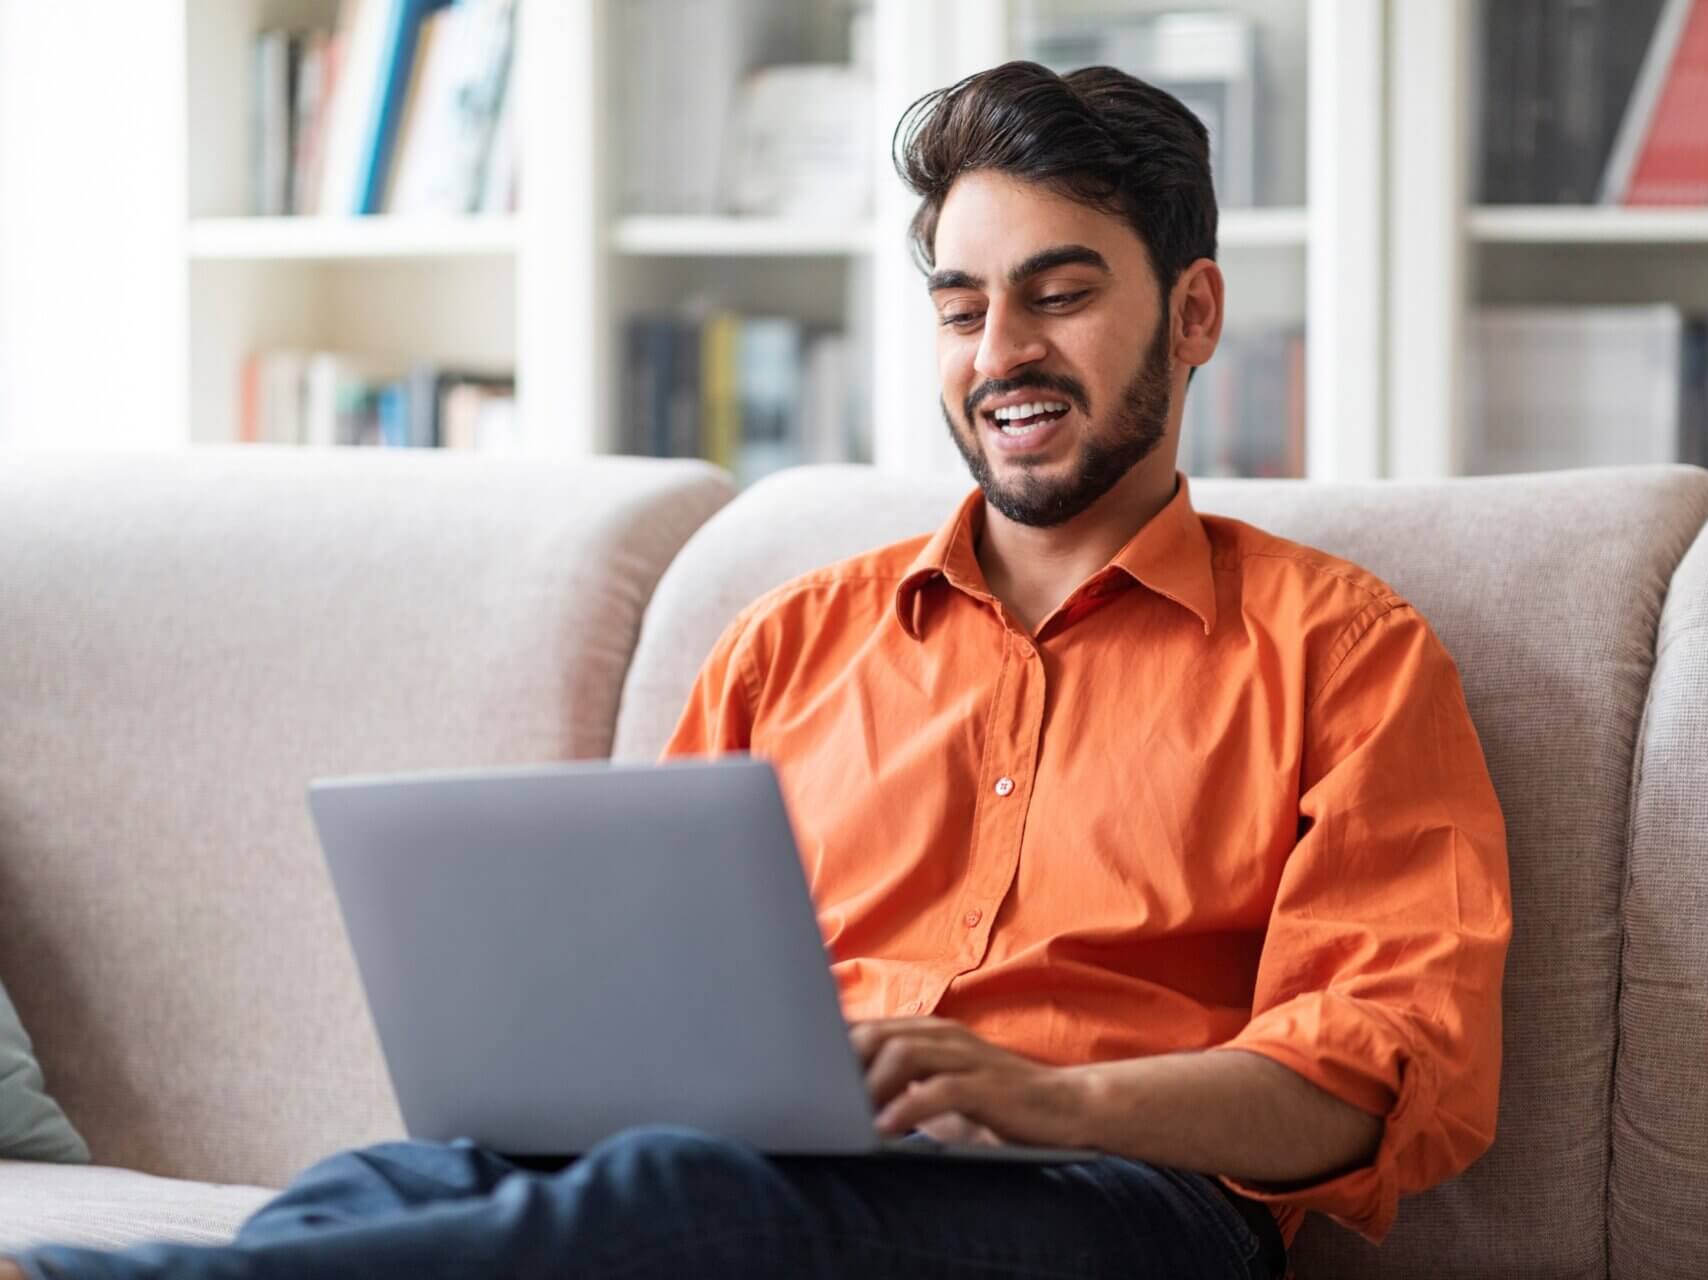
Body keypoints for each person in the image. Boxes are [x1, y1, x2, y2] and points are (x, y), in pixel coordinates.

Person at [7, 60, 1511, 1280]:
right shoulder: (795, 641)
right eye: (961, 303)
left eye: (1060, 295)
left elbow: (1378, 1077)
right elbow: (644, 1005)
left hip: (1114, 1200)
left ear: (1192, 315)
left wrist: (1050, 1097)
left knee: (680, 1203)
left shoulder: (1342, 656)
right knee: (374, 1189)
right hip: (758, 1168)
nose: (1002, 351)